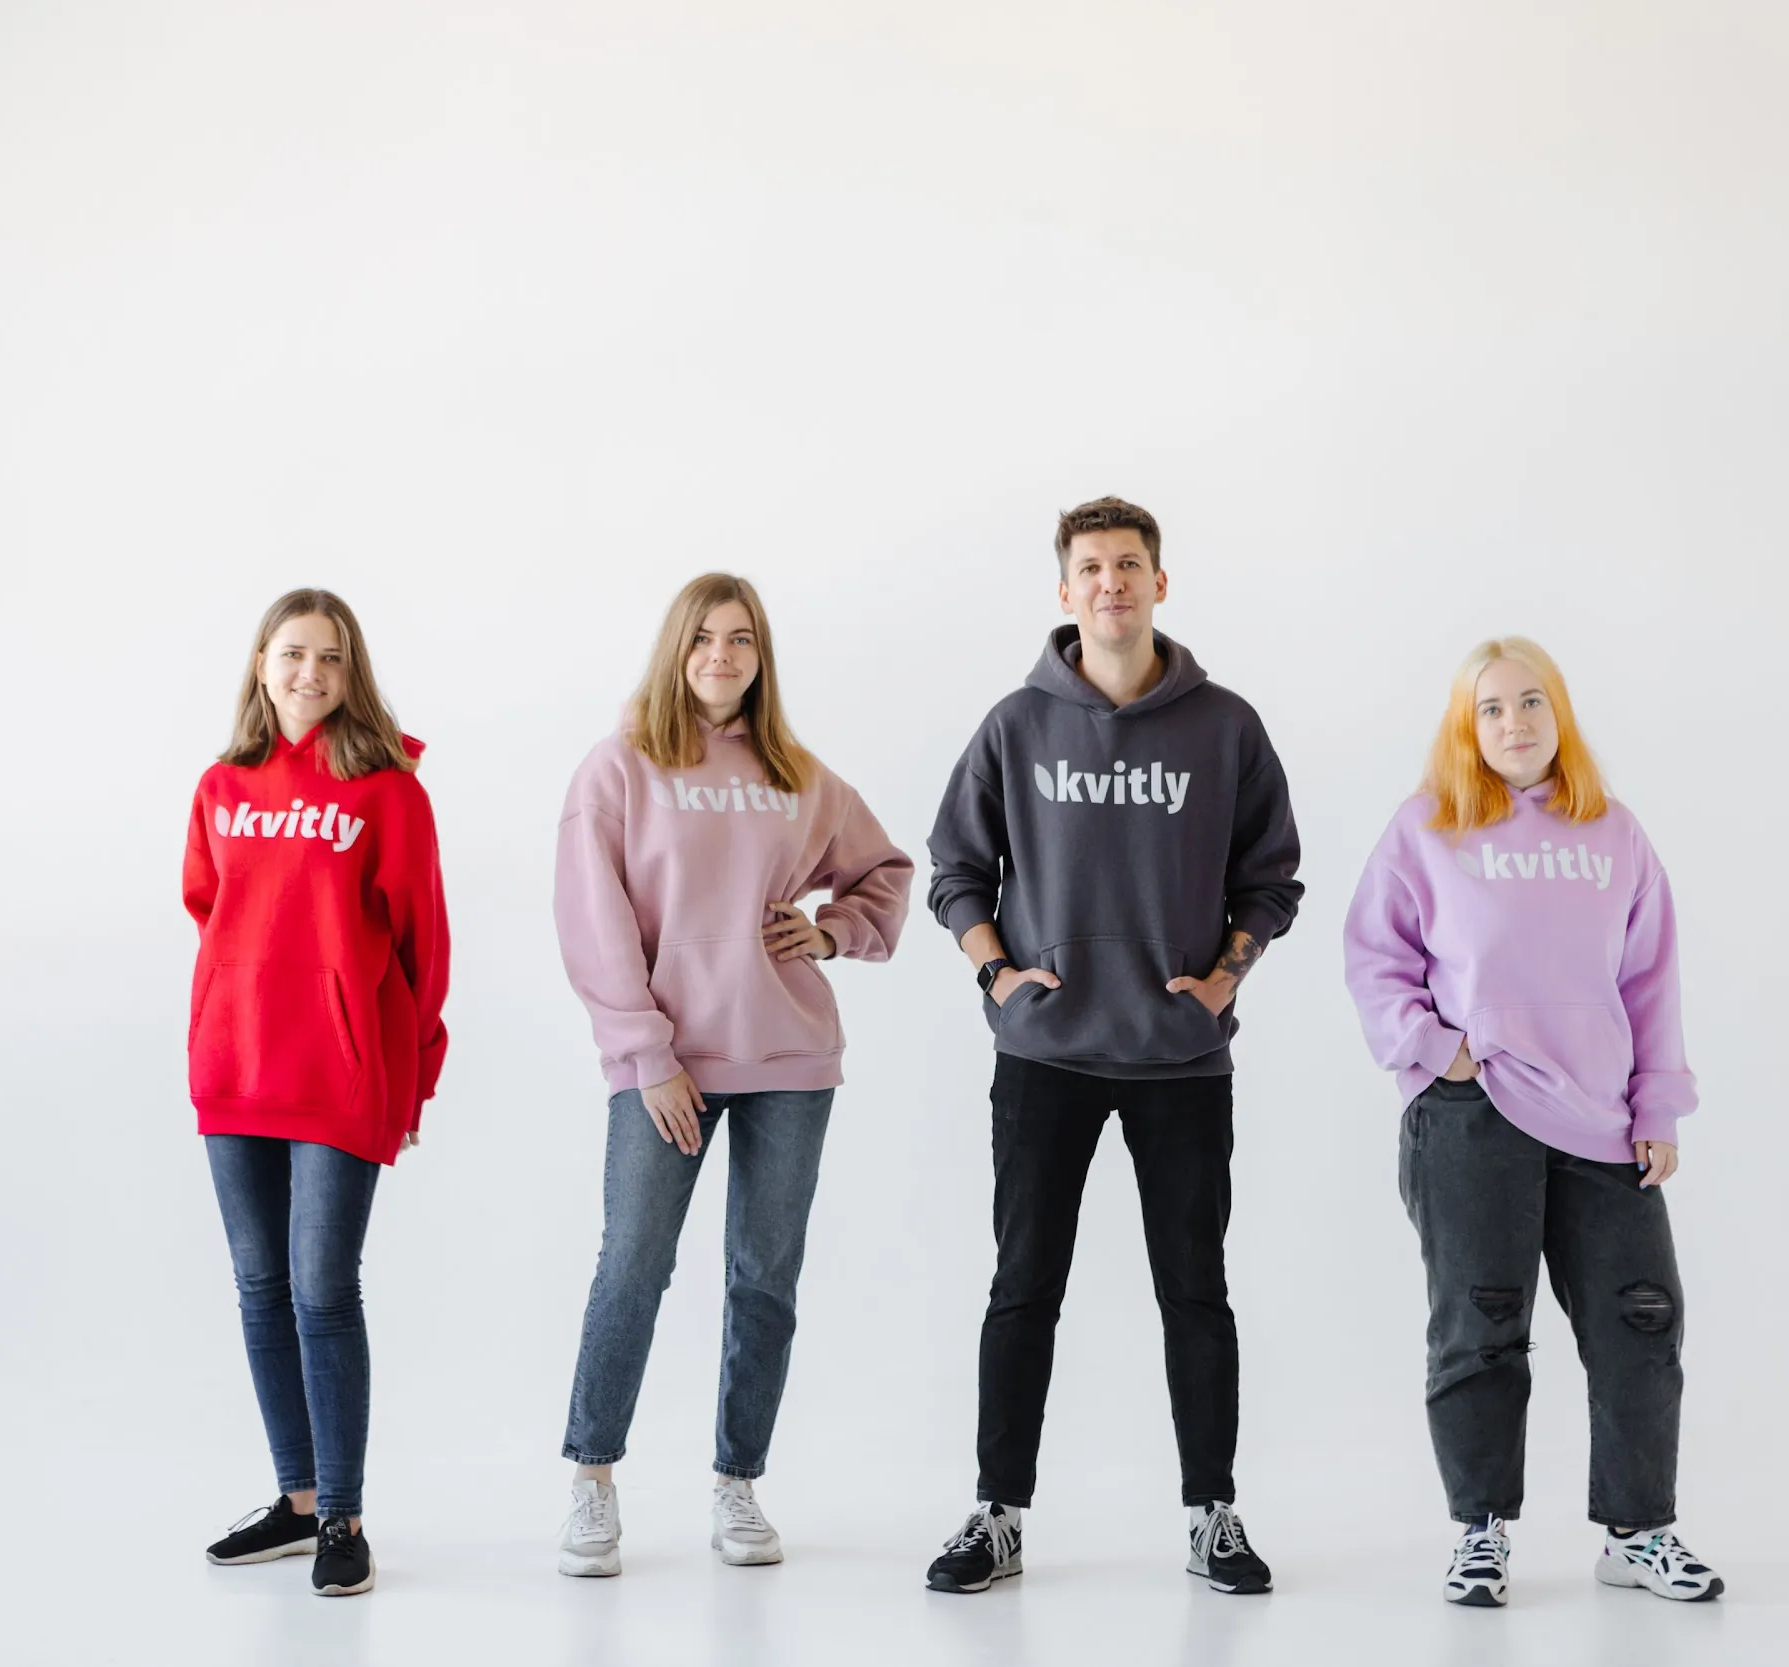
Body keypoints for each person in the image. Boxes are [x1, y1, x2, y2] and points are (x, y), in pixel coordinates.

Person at [921, 497, 1302, 1596]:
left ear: (1159, 584)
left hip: (1180, 1057)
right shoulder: (1015, 723)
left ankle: (1212, 1514)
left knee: (1195, 1287)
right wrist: (997, 971)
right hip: (1045, 1055)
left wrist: (1224, 976)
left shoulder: (1223, 724)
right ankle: (997, 1512)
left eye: (1129, 564)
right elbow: (955, 867)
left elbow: (1270, 875)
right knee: (1022, 1284)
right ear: (1065, 591)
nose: (1111, 582)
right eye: (1090, 566)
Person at [1342, 635, 1723, 1607]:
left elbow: (1650, 978)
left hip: (1602, 1119)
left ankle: (1637, 1532)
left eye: (1531, 702)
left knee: (1640, 1321)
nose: (1514, 723)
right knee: (1481, 1325)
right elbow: (1373, 957)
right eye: (1492, 708)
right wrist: (1441, 1051)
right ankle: (1480, 1531)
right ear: (1466, 727)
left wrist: (1657, 1105)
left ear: (1561, 714)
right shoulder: (1428, 827)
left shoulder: (1614, 833)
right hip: (1474, 1113)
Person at [551, 573, 913, 1577]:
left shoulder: (796, 770)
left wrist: (831, 930)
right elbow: (594, 918)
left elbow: (885, 870)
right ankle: (591, 1477)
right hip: (664, 1067)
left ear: (761, 656)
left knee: (764, 1278)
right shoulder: (619, 766)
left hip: (790, 1058)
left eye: (742, 638)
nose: (721, 655)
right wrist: (648, 1053)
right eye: (704, 637)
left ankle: (737, 1481)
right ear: (677, 648)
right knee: (632, 1265)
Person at [185, 588, 449, 1598]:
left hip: (339, 1078)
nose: (310, 674)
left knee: (321, 1288)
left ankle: (344, 1512)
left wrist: (412, 1080)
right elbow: (208, 906)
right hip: (232, 1070)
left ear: (352, 674)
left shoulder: (389, 791)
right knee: (259, 1287)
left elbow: (424, 944)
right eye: (293, 654)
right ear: (261, 663)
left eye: (330, 659)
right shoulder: (221, 785)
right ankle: (296, 1503)